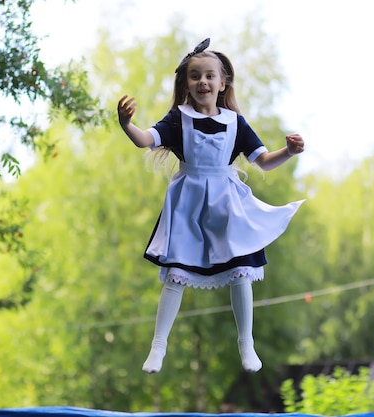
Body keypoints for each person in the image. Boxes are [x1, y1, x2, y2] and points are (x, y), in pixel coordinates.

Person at [117, 38, 305, 374]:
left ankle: (246, 343)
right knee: (176, 274)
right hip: (188, 205)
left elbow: (262, 161)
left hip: (227, 204)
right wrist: (127, 125)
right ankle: (158, 346)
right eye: (194, 76)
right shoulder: (178, 119)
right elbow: (146, 140)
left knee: (240, 271)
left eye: (209, 76)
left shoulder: (236, 123)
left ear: (222, 83)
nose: (202, 81)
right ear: (186, 83)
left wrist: (288, 152)